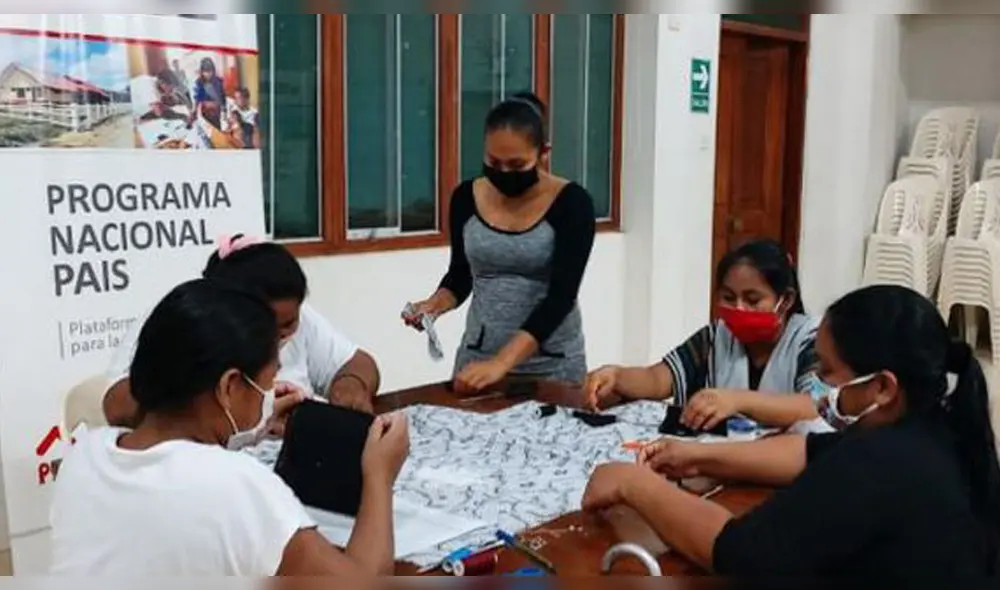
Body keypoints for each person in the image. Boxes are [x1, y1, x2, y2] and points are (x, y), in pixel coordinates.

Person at [582, 285, 1000, 576]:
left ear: (883, 387)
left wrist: (634, 485)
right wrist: (697, 455)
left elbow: (740, 553)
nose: (818, 384)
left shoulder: (881, 462)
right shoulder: (935, 426)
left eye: (829, 372)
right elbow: (808, 451)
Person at [51, 279, 409, 575]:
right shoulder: (238, 486)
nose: (270, 393)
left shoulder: (85, 456)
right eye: (267, 382)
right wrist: (379, 476)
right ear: (229, 387)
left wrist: (246, 431)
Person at [403, 92, 596, 392]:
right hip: (478, 360)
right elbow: (461, 275)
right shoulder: (465, 198)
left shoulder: (572, 203)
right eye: (494, 162)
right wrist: (434, 305)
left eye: (517, 165)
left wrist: (502, 363)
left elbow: (561, 297)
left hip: (552, 367)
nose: (504, 173)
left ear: (543, 154)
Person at [104, 234, 380, 427]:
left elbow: (359, 363)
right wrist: (244, 412)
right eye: (268, 325)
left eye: (288, 324)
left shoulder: (299, 320)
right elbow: (117, 406)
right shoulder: (182, 321)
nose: (280, 337)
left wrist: (351, 384)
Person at [586, 239, 821, 430]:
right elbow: (659, 378)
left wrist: (736, 400)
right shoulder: (717, 336)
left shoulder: (812, 340)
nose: (739, 309)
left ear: (785, 300)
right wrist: (617, 376)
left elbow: (815, 405)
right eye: (728, 298)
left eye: (752, 300)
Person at [192, 57, 225, 130]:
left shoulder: (219, 81)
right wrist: (195, 110)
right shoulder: (199, 83)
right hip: (205, 114)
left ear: (213, 70)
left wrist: (223, 109)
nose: (208, 74)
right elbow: (197, 99)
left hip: (217, 113)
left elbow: (222, 98)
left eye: (210, 71)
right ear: (202, 72)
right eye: (206, 71)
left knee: (217, 130)